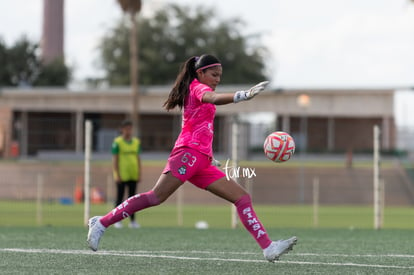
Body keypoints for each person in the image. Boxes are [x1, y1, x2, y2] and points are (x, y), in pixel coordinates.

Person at [87, 54, 297, 262]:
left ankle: (268, 247)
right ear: (200, 73)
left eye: (220, 76)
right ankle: (102, 222)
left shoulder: (200, 89)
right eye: (214, 75)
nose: (217, 79)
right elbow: (213, 98)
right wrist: (243, 95)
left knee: (242, 198)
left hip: (202, 161)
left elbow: (196, 125)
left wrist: (209, 156)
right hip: (187, 155)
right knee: (155, 197)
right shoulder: (197, 87)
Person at [111, 120, 141, 229]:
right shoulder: (117, 142)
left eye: (130, 128)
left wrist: (139, 173)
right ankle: (117, 220)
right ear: (122, 129)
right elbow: (115, 159)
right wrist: (117, 174)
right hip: (122, 175)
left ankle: (133, 221)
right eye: (127, 128)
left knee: (132, 199)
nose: (129, 131)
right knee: (119, 198)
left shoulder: (136, 142)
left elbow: (138, 158)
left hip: (133, 174)